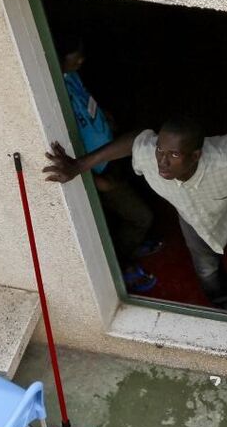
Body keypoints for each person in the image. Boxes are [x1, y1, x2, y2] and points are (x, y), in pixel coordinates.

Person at [43, 116, 227, 312]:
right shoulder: (150, 156)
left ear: (196, 155)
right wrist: (79, 165)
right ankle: (223, 301)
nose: (162, 162)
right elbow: (136, 140)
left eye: (174, 155)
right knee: (206, 266)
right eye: (160, 150)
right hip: (195, 216)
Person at [57, 35, 162, 292]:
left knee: (125, 211)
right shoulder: (53, 92)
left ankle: (130, 246)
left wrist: (103, 118)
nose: (82, 60)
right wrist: (94, 179)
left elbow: (86, 104)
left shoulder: (70, 76)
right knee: (140, 218)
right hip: (94, 172)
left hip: (108, 156)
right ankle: (121, 265)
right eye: (75, 56)